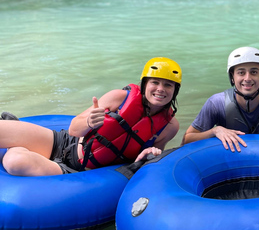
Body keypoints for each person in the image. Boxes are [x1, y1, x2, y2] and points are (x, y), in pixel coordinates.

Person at [0, 57, 181, 176]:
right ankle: (19, 140)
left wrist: (152, 153)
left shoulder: (170, 126)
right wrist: (88, 121)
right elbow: (74, 128)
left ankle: (17, 147)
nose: (160, 89)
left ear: (175, 91)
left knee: (15, 162)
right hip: (64, 142)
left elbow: (147, 158)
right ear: (144, 84)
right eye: (155, 82)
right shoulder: (119, 97)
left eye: (168, 85)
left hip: (74, 170)